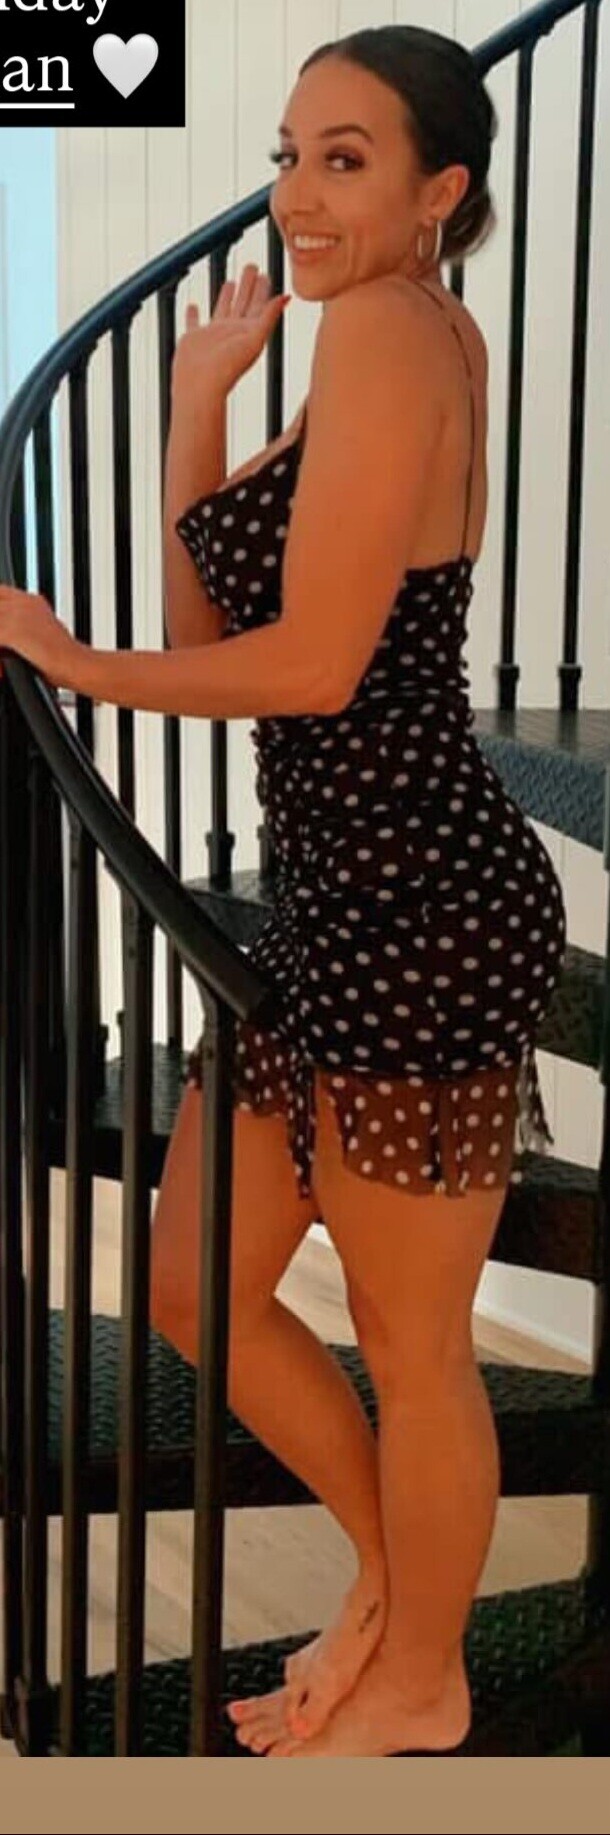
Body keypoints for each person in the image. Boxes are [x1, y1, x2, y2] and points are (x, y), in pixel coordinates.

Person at [149, 25, 568, 1757]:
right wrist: (197, 403)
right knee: (194, 1287)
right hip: (335, 904)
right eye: (286, 153)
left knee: (410, 1339)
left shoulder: (396, 330)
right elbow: (213, 630)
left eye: (344, 158)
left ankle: (421, 1679)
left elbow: (312, 669)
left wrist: (59, 659)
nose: (296, 194)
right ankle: (396, 1584)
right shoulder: (368, 334)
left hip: (427, 909)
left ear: (436, 189)